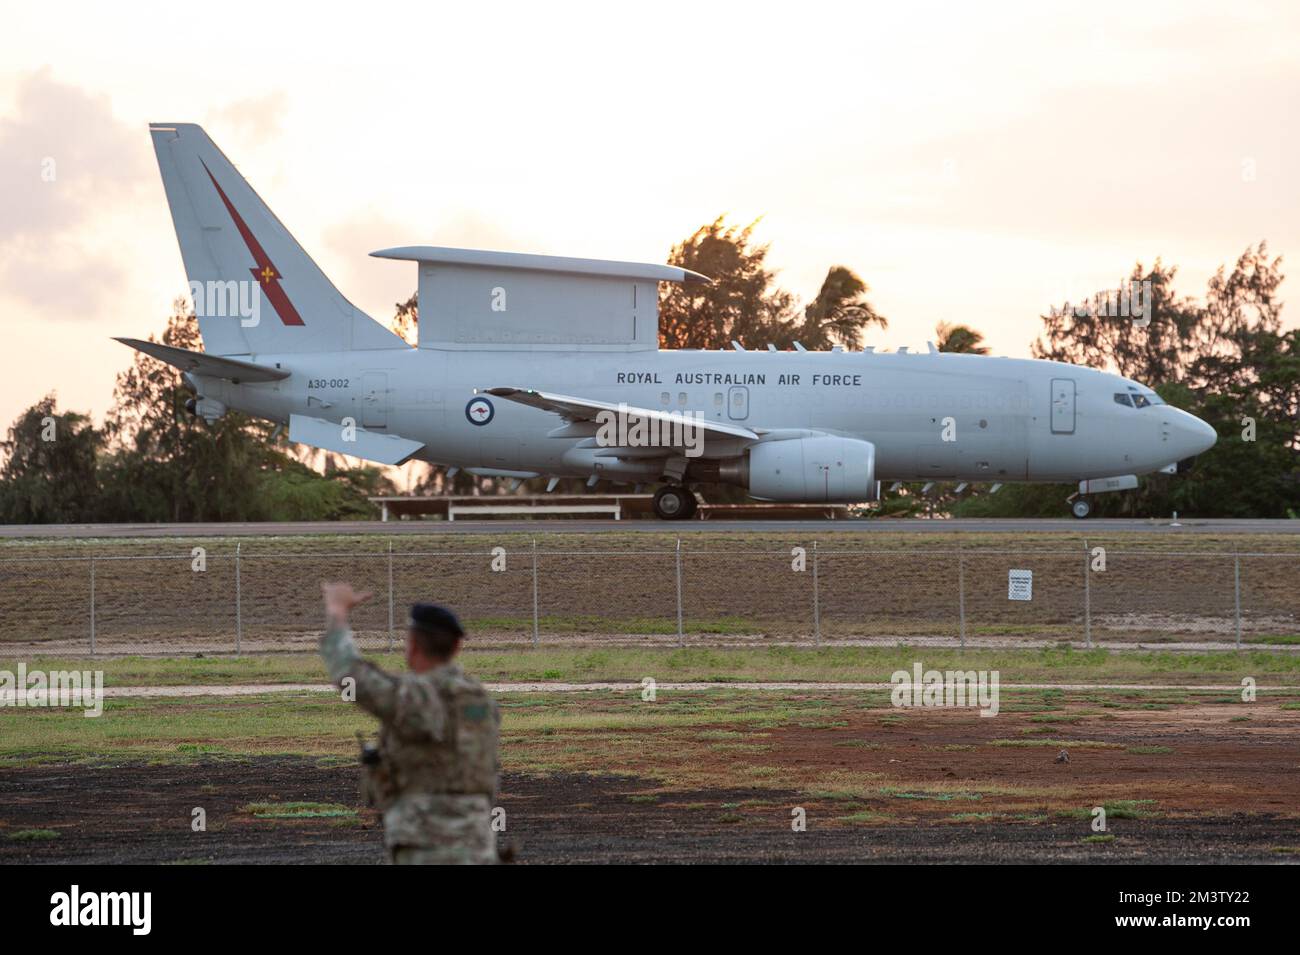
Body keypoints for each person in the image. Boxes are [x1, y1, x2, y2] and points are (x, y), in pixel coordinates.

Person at [319, 582, 500, 864]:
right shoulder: (480, 700)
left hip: (427, 844)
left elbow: (350, 676)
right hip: (478, 843)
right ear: (456, 646)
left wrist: (337, 612)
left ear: (413, 645)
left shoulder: (415, 697)